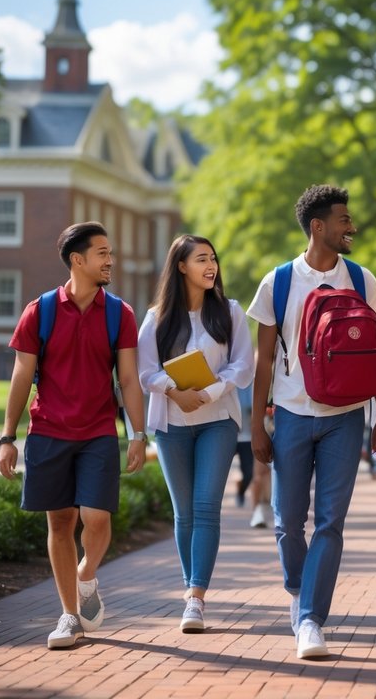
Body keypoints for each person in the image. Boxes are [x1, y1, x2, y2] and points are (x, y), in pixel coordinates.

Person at [246, 185, 376, 659]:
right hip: (291, 413)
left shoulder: (362, 280)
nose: (352, 227)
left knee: (331, 521)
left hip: (345, 418)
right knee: (288, 522)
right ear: (318, 226)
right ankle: (298, 588)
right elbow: (264, 359)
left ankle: (311, 619)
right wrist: (256, 424)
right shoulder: (278, 282)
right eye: (344, 220)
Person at [0, 221, 147, 649]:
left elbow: (129, 379)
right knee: (60, 523)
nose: (110, 260)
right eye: (103, 253)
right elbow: (21, 376)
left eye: (110, 252)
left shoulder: (120, 313)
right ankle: (68, 616)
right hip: (48, 431)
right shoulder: (39, 311)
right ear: (78, 260)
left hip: (98, 430)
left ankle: (86, 575)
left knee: (97, 518)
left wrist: (138, 433)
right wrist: (7, 437)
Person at [137, 235, 254, 633]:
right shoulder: (156, 318)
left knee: (205, 507)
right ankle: (191, 589)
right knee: (184, 512)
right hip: (172, 424)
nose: (211, 265)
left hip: (218, 420)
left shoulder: (230, 311)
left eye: (213, 258)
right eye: (201, 259)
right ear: (181, 266)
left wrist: (210, 391)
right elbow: (145, 372)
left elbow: (242, 366)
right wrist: (174, 390)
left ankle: (195, 597)